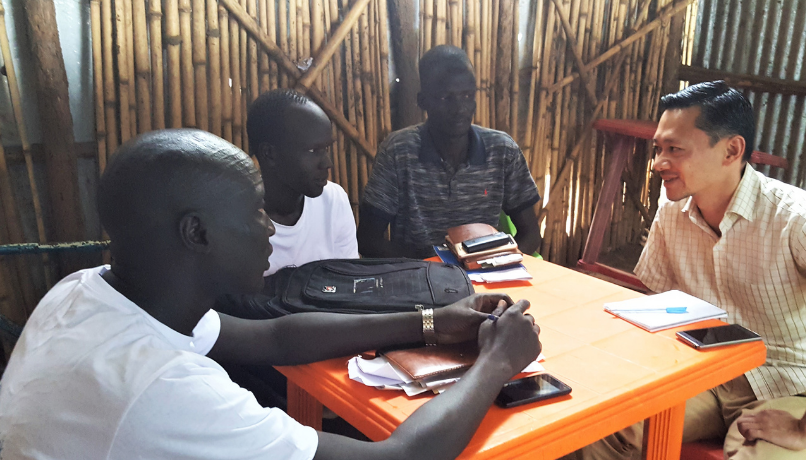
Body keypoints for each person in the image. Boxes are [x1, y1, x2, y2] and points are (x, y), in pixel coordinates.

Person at [0, 129, 542, 460]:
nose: (268, 228)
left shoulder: (84, 292)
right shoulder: (165, 392)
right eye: (253, 212)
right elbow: (401, 457)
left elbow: (275, 336)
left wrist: (432, 321)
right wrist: (496, 361)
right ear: (197, 233)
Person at [565, 81, 806, 460]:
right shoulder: (672, 212)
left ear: (731, 150)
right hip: (706, 374)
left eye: (674, 149)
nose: (657, 162)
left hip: (794, 383)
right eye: (658, 149)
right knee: (593, 429)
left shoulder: (800, 220)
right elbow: (658, 305)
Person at [358, 44, 542, 259]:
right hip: (420, 277)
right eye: (446, 98)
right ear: (423, 101)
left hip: (483, 277)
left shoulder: (502, 151)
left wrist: (499, 264)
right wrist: (433, 270)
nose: (459, 108)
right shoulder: (398, 152)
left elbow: (531, 235)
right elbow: (368, 240)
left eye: (467, 96)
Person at [247, 89, 358, 276]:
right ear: (270, 154)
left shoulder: (333, 201)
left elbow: (347, 283)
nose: (328, 163)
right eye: (314, 151)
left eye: (327, 148)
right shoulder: (236, 218)